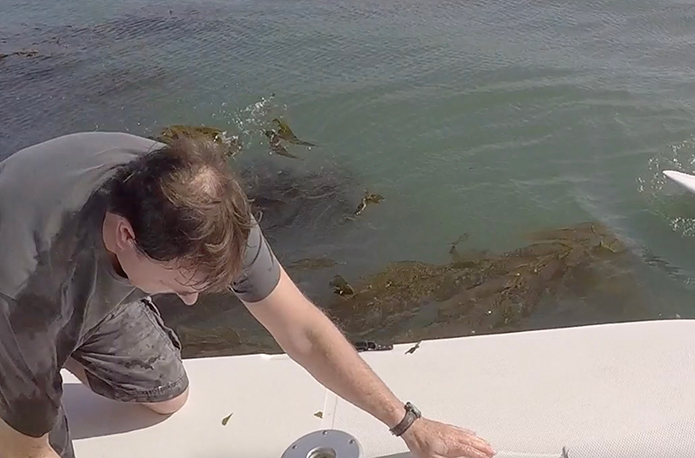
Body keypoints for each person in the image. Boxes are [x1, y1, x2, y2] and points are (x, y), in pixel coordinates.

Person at [0, 131, 496, 458]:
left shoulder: (203, 210)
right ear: (126, 237)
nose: (190, 303)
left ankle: (65, 357)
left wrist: (411, 426)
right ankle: (37, 376)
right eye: (180, 286)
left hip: (87, 280)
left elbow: (302, 329)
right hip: (22, 292)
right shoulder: (24, 302)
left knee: (167, 397)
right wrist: (30, 390)